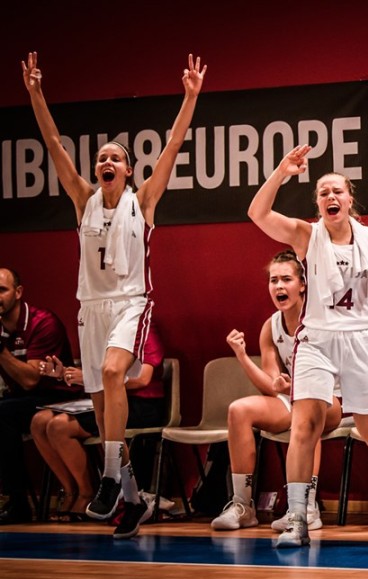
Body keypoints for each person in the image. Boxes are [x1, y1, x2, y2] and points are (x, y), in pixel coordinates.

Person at [21, 51, 206, 538]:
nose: (107, 161)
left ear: (128, 170)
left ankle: (106, 479)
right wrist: (36, 94)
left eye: (115, 158)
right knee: (104, 409)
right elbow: (53, 145)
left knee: (110, 373)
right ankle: (131, 498)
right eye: (101, 157)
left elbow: (172, 145)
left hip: (130, 302)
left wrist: (189, 98)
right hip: (91, 308)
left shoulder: (142, 201)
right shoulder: (83, 201)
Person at [248, 148, 368, 548]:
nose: (330, 196)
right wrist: (281, 172)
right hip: (316, 341)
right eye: (323, 192)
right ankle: (298, 517)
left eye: (337, 190)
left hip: (360, 338)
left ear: (349, 199)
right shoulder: (307, 235)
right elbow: (258, 213)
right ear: (318, 203)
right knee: (303, 426)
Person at [210, 250, 344, 532]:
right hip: (294, 397)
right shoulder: (270, 326)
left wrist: (296, 388)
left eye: (286, 279)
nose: (279, 286)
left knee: (308, 409)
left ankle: (306, 507)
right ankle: (243, 506)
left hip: (334, 400)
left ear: (302, 285)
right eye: (274, 280)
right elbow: (271, 386)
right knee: (238, 410)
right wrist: (242, 356)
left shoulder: (322, 319)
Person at [31, 323, 167, 530]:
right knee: (39, 421)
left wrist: (89, 378)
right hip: (105, 400)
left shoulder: (140, 326)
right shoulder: (97, 330)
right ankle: (70, 490)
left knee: (59, 427)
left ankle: (88, 492)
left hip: (142, 403)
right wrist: (64, 374)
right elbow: (94, 377)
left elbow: (142, 378)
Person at [0, 267, 81, 524]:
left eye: (2, 290)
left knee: (2, 415)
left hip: (56, 397)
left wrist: (0, 351)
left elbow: (30, 380)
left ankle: (17, 502)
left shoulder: (42, 322)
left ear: (18, 292)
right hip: (19, 400)